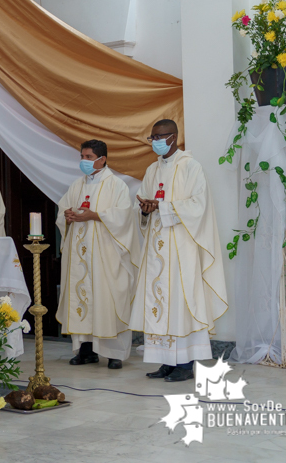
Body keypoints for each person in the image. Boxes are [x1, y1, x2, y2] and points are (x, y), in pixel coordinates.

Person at [129, 119, 228, 382]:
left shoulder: (191, 167)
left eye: (160, 137)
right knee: (159, 301)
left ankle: (185, 363)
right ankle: (166, 361)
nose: (156, 142)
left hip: (181, 247)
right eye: (152, 138)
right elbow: (146, 200)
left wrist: (163, 207)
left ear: (174, 137)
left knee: (181, 302)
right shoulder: (152, 170)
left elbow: (199, 205)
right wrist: (146, 209)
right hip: (157, 249)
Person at [55, 140, 140, 369]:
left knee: (107, 299)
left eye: (89, 157)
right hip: (80, 253)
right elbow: (64, 210)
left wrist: (93, 216)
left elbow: (124, 217)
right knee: (82, 296)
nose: (84, 161)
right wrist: (68, 216)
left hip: (106, 254)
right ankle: (85, 350)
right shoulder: (77, 185)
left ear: (102, 159)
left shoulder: (116, 186)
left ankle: (114, 354)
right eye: (82, 156)